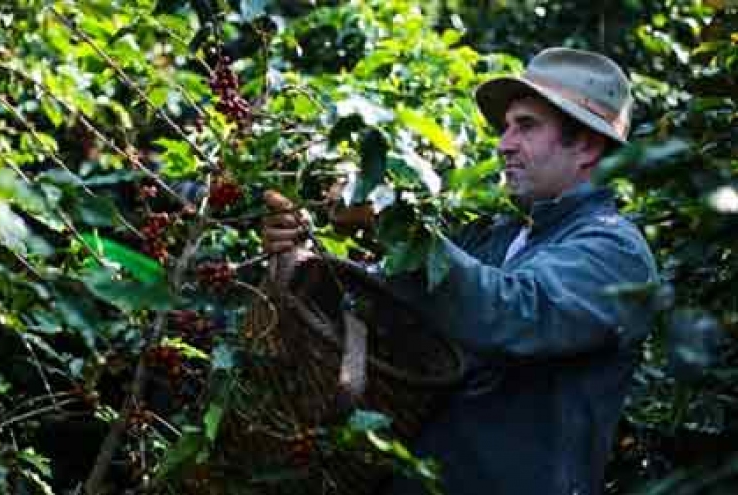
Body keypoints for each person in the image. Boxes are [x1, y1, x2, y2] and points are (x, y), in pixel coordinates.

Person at [262, 47, 659, 495]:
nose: (504, 143)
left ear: (586, 145)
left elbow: (511, 311)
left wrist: (393, 225)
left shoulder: (614, 252)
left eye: (526, 126)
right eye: (506, 127)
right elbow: (396, 308)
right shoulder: (500, 236)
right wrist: (303, 257)